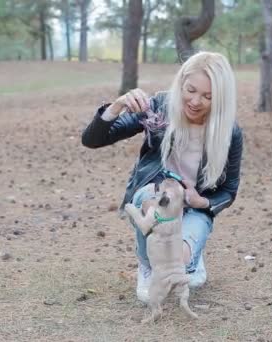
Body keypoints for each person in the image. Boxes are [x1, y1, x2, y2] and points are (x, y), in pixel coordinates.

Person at [81, 51, 243, 303]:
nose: (196, 101)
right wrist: (117, 105)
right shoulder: (158, 108)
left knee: (180, 262)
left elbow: (229, 191)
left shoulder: (229, 132)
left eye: (208, 96)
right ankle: (147, 265)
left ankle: (191, 257)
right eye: (190, 90)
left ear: (220, 99)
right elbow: (93, 140)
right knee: (155, 202)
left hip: (194, 207)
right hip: (153, 197)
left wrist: (201, 202)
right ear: (181, 83)